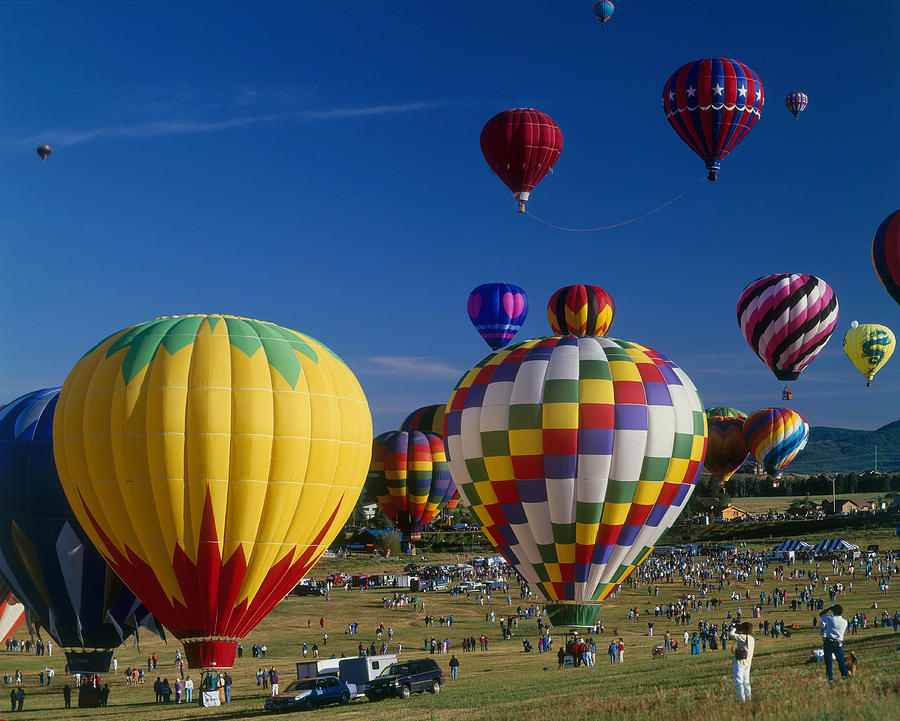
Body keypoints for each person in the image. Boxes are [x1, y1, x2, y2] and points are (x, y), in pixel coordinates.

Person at [820, 604, 850, 682]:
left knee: (829, 663)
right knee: (841, 662)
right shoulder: (845, 622)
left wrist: (829, 608)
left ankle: (830, 679)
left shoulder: (830, 619)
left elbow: (821, 614)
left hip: (828, 642)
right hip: (838, 643)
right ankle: (845, 676)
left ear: (833, 611)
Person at [728, 621, 755, 703]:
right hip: (748, 662)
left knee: (739, 681)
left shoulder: (743, 637)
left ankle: (742, 700)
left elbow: (731, 634)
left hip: (740, 662)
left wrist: (735, 627)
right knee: (746, 681)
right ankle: (748, 699)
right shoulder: (751, 638)